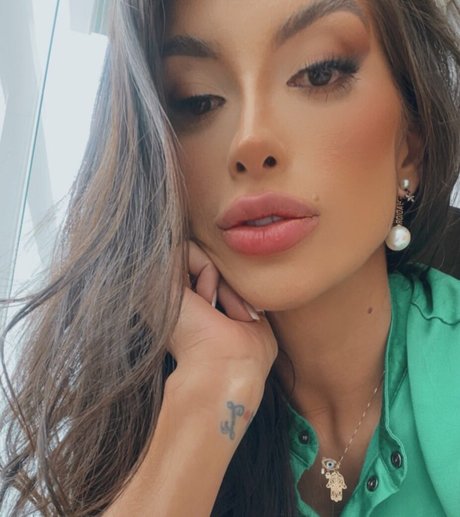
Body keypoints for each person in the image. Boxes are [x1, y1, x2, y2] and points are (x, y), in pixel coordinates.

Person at [1, 0, 460, 515]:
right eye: (198, 100)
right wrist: (211, 388)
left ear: (409, 148)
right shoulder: (125, 412)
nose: (250, 141)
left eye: (318, 73)